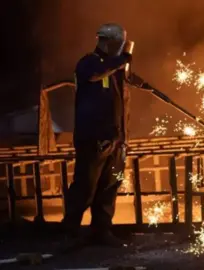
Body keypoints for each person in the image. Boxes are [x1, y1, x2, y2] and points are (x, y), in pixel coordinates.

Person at [61, 23, 132, 247]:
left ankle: (101, 231)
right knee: (85, 187)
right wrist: (122, 61)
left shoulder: (115, 70)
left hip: (114, 138)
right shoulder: (89, 63)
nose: (121, 49)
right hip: (93, 138)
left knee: (110, 186)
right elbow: (94, 74)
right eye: (118, 44)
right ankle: (69, 231)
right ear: (106, 41)